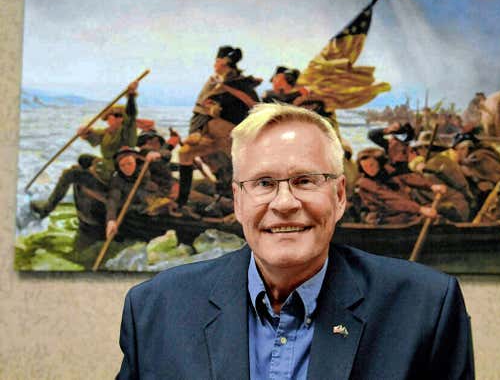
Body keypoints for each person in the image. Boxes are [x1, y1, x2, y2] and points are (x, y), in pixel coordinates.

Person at [117, 103, 474, 379]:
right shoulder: (155, 310)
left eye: (305, 180)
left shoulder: (425, 308)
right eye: (263, 183)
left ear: (339, 196)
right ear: (238, 201)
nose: (285, 203)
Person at [30, 81, 139, 218]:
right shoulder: (108, 132)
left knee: (70, 174)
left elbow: (131, 116)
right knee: (84, 158)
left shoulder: (126, 132)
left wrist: (130, 97)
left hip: (113, 175)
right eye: (111, 118)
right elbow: (95, 136)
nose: (112, 120)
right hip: (106, 166)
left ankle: (46, 209)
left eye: (116, 117)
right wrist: (86, 133)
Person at [177, 45, 261, 206]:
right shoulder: (212, 82)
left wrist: (226, 89)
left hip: (233, 134)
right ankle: (182, 201)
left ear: (224, 62)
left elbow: (254, 106)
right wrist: (211, 108)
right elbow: (202, 108)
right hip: (210, 132)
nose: (214, 64)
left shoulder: (240, 83)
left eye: (217, 61)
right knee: (184, 154)